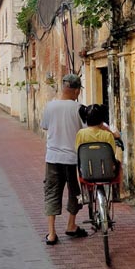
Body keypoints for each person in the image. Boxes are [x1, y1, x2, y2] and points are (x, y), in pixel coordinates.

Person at [41, 73, 87, 245]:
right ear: (75, 91)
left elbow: (45, 126)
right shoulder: (79, 108)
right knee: (75, 192)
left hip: (52, 157)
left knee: (51, 191)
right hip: (73, 158)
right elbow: (85, 129)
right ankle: (71, 224)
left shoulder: (50, 106)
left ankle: (51, 234)